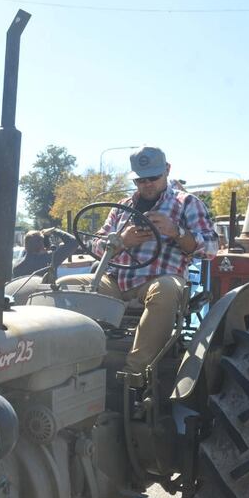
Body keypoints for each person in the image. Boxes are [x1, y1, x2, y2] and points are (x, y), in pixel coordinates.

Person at [56, 146, 219, 375]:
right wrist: (120, 241)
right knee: (66, 285)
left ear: (168, 170)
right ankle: (76, 363)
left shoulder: (187, 204)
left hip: (159, 280)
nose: (147, 184)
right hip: (115, 281)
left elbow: (212, 248)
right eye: (141, 180)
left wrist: (177, 232)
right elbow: (95, 245)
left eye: (153, 177)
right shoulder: (122, 207)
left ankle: (134, 374)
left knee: (166, 290)